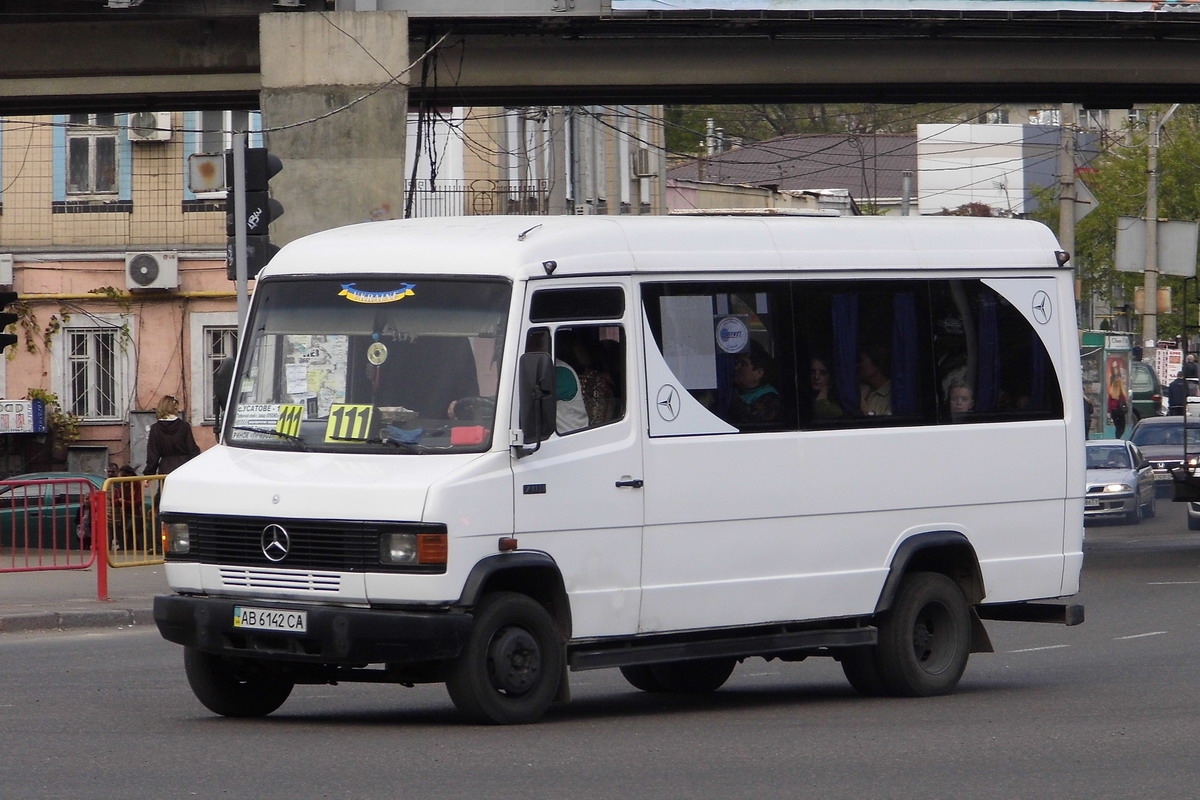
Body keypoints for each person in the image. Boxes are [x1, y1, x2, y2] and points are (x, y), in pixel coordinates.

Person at [144, 395, 201, 475]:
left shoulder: (155, 428)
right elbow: (192, 450)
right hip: (184, 469)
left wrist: (148, 474)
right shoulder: (184, 426)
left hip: (165, 469)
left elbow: (153, 455)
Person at [728, 349, 782, 424]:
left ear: (759, 373)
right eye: (737, 363)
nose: (736, 368)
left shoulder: (770, 399)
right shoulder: (737, 389)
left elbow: (749, 420)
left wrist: (727, 395)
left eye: (743, 364)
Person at [857, 346, 892, 416]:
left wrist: (866, 412)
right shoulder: (860, 389)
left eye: (861, 361)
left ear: (876, 364)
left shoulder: (892, 395)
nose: (857, 365)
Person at [1107, 367, 1128, 439]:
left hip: (1114, 412)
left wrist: (1109, 412)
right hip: (1120, 412)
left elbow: (1109, 403)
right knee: (1122, 427)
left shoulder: (1111, 393)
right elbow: (1124, 401)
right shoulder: (1121, 393)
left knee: (1117, 427)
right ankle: (1118, 438)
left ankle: (1117, 438)